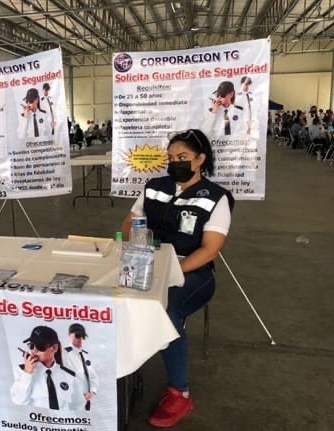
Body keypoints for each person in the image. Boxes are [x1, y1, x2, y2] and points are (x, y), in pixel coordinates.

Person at [121, 129, 234, 428]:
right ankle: (117, 370)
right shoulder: (154, 187)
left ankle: (179, 393)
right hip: (146, 262)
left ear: (200, 159)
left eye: (182, 157)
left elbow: (210, 250)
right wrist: (135, 247)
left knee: (166, 308)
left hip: (193, 272)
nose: (175, 163)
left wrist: (169, 271)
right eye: (171, 158)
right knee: (112, 296)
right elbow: (129, 224)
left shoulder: (216, 197)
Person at [10, 326, 82, 410]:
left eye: (40, 346)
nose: (34, 351)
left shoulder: (69, 375)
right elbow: (18, 401)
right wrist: (27, 373)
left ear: (55, 348)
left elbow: (78, 405)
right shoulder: (21, 372)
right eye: (31, 345)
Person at [63, 323, 99, 410]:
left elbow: (93, 376)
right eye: (78, 335)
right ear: (69, 335)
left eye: (83, 336)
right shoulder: (64, 354)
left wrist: (92, 391)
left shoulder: (86, 355)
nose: (81, 339)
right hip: (71, 402)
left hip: (86, 402)